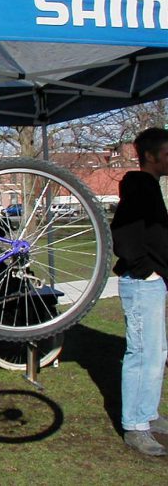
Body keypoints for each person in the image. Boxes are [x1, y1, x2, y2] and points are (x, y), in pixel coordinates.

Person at [110, 127, 168, 456]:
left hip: (153, 282)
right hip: (141, 283)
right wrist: (146, 269)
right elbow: (124, 238)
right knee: (142, 355)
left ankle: (148, 414)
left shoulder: (149, 188)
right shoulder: (138, 188)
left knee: (156, 354)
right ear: (150, 156)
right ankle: (135, 426)